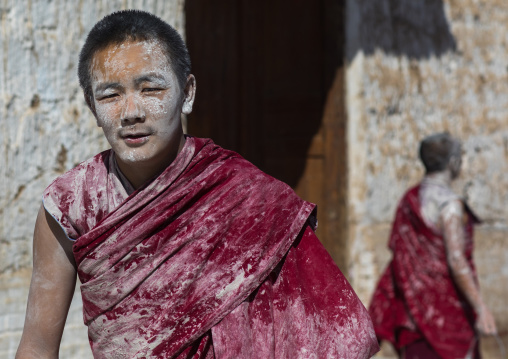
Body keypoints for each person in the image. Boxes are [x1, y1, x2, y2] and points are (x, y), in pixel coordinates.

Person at [16, 10, 379, 359]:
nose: (131, 112)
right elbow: (37, 348)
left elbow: (339, 334)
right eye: (110, 95)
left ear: (187, 93)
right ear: (92, 106)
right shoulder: (70, 206)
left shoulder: (250, 198)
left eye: (150, 88)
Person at [369, 133, 497, 359]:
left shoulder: (410, 199)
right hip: (447, 310)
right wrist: (481, 307)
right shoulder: (450, 206)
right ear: (453, 162)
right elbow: (456, 260)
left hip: (413, 306)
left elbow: (399, 253)